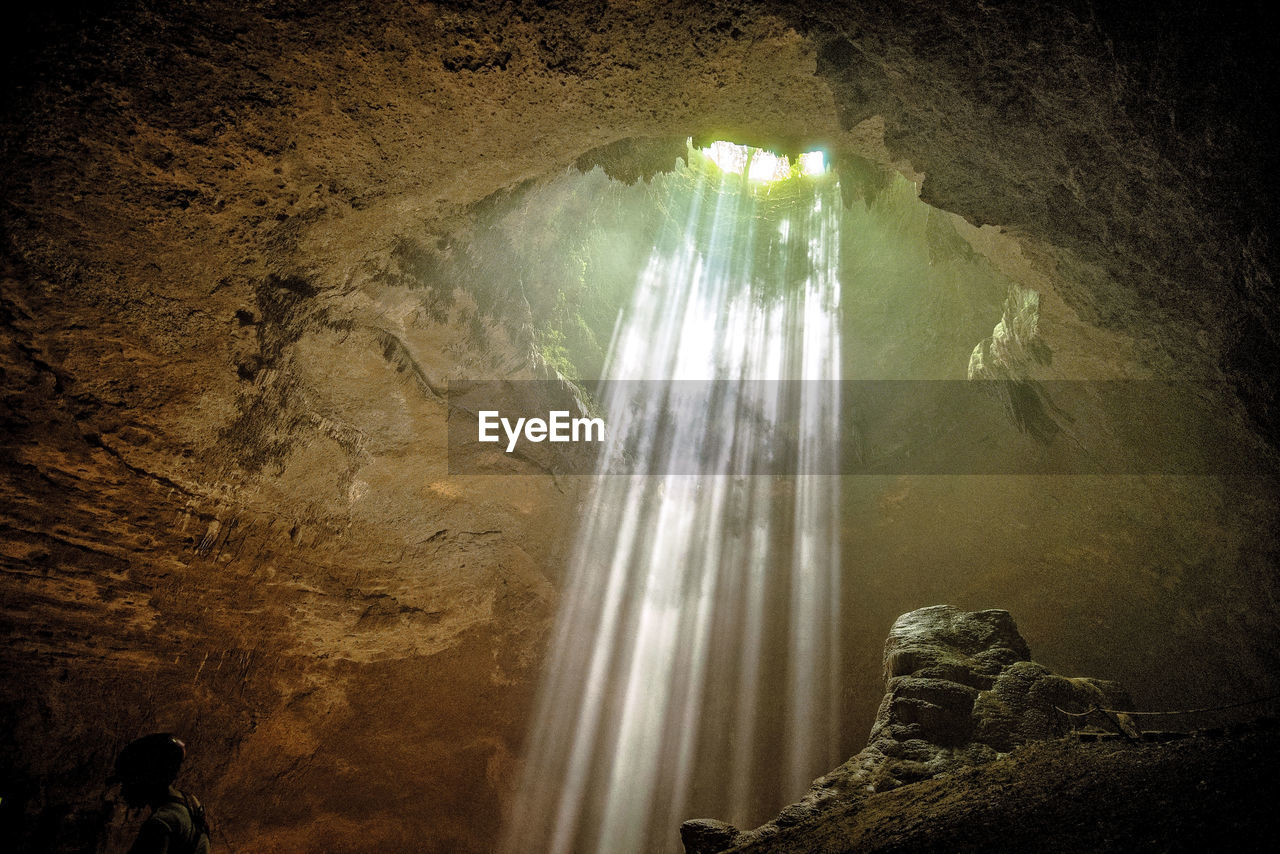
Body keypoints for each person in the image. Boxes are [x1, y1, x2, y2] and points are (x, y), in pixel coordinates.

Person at [109, 733, 211, 854]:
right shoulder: (191, 802)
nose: (122, 790)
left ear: (147, 778)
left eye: (128, 780)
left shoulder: (160, 824)